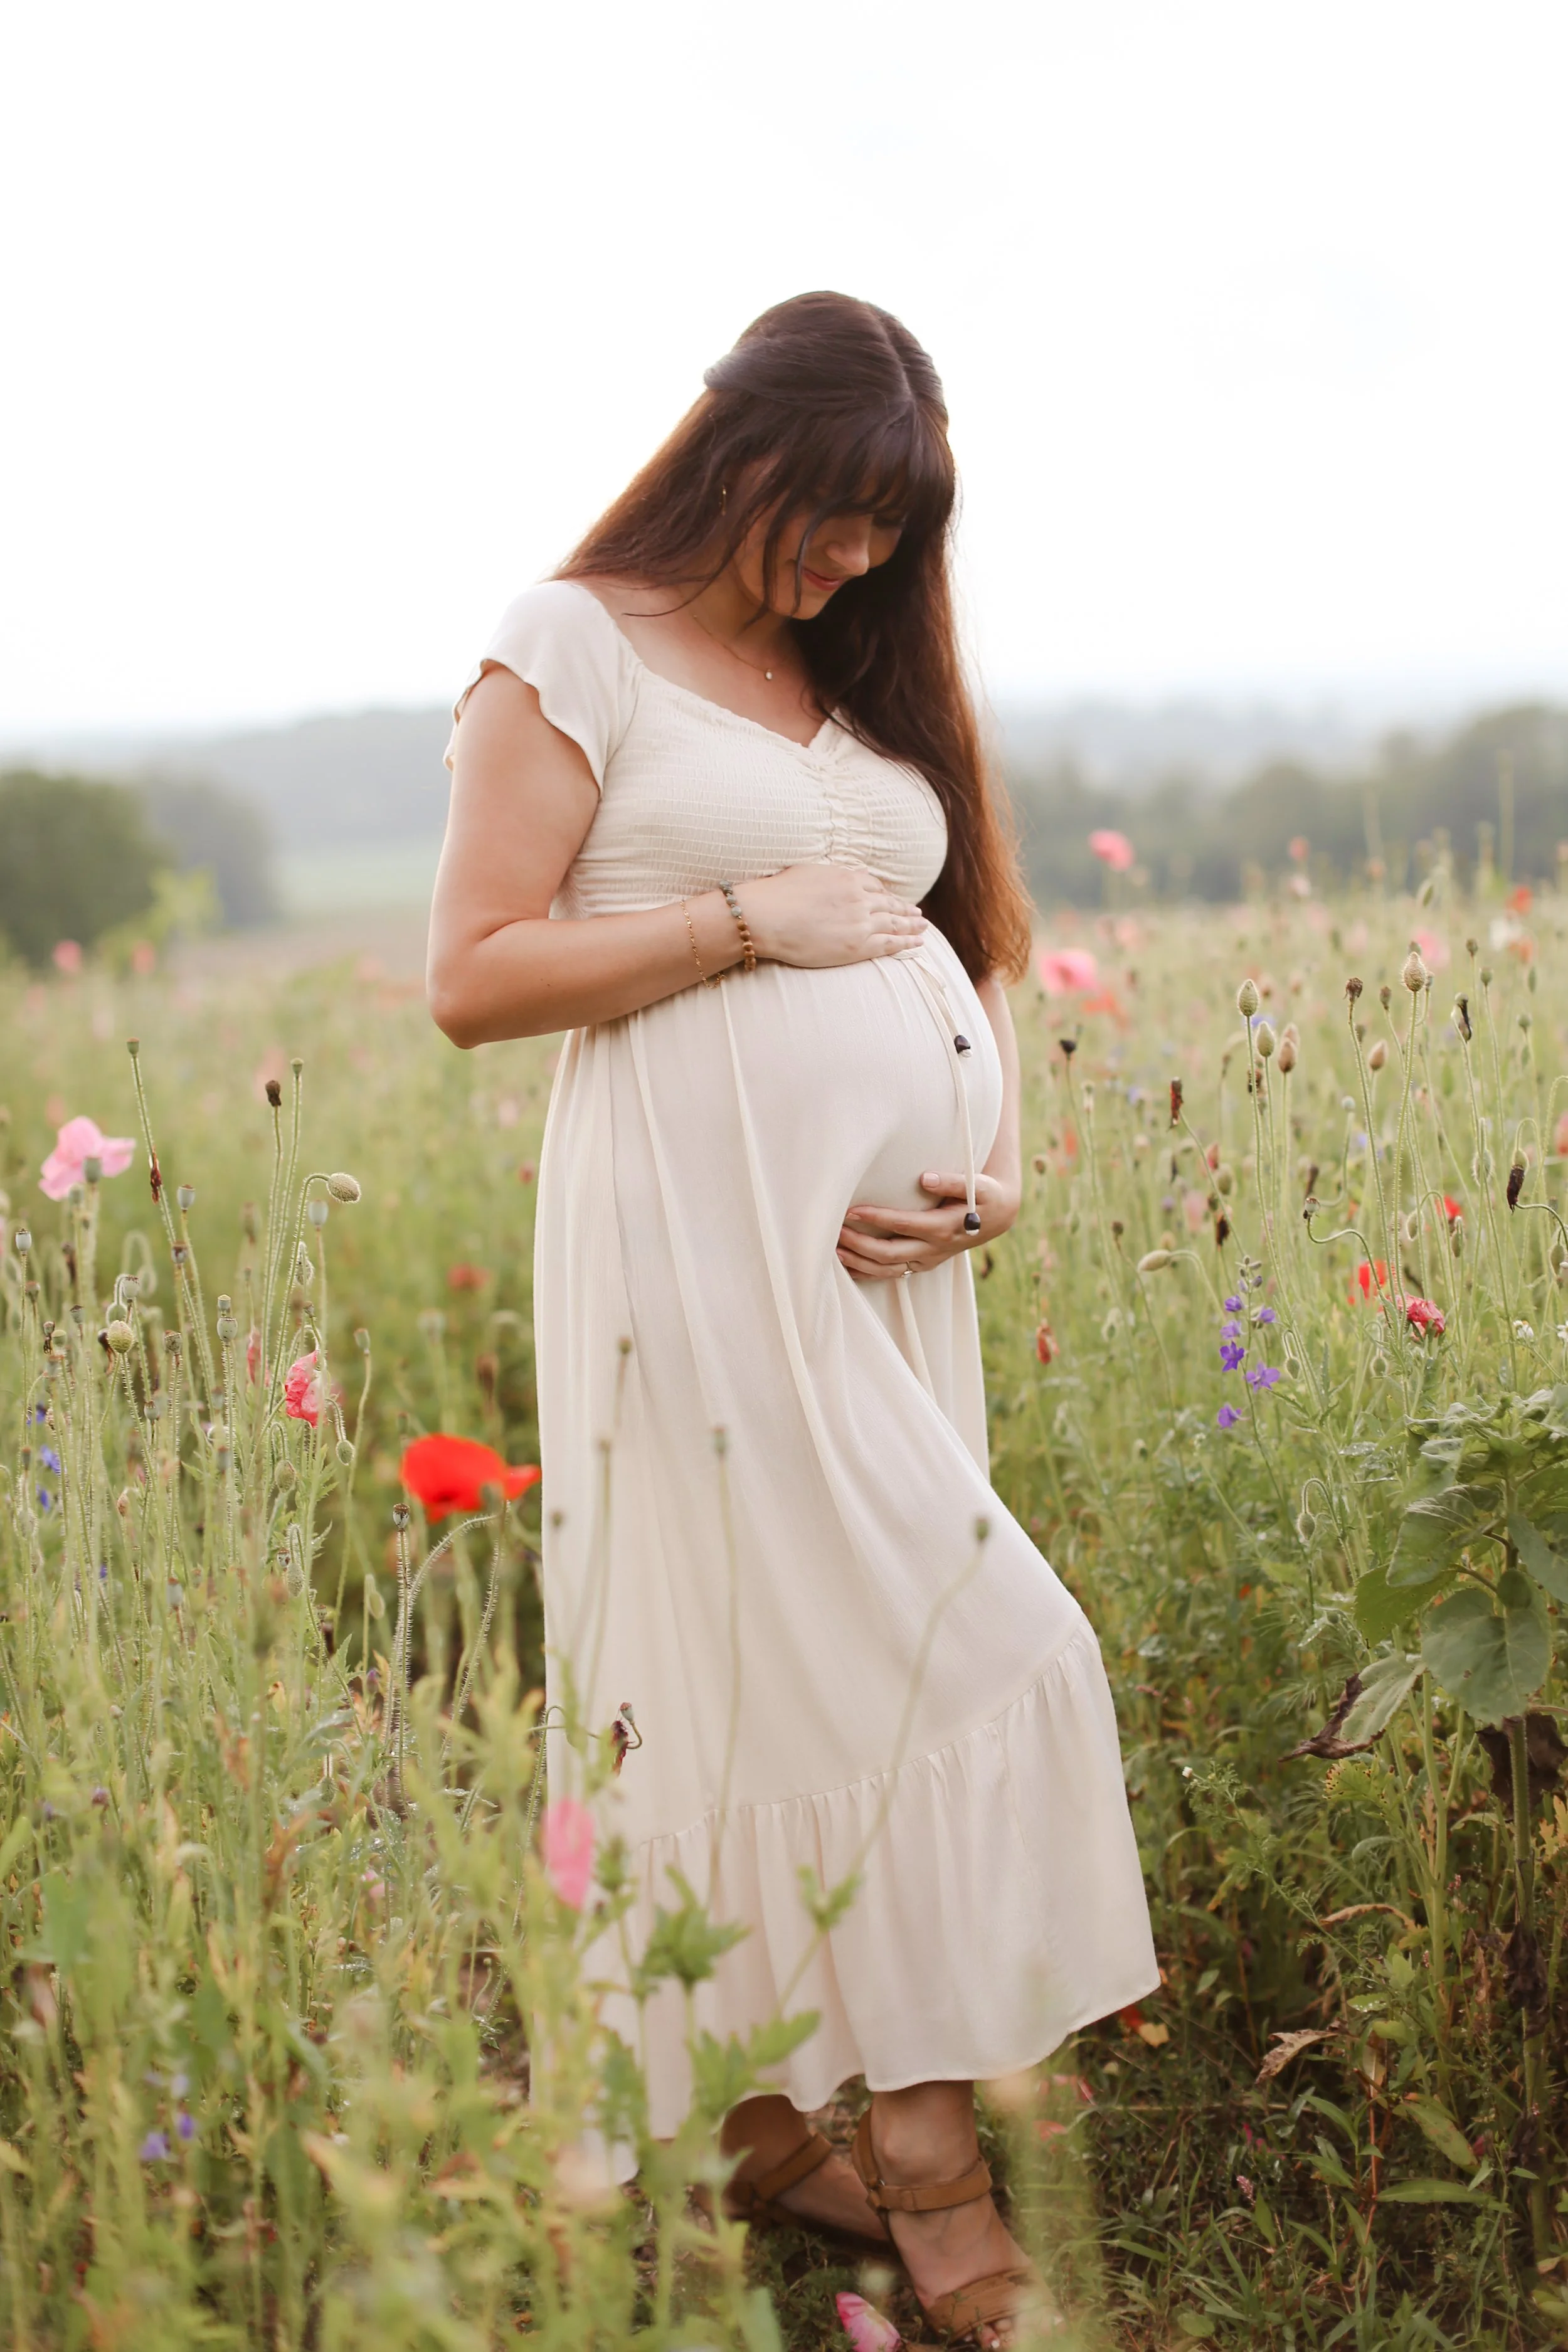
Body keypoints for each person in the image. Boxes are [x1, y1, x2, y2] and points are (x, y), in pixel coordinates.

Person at [429, 290, 1157, 2345]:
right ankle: (923, 2178)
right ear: (734, 447)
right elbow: (473, 972)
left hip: (880, 1285)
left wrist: (991, 1156)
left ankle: (757, 2117)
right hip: (694, 1254)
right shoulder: (568, 640)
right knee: (950, 1649)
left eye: (886, 535)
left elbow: (951, 940)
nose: (852, 562)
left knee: (832, 1666)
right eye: (832, 515)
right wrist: (739, 921)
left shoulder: (851, 665)